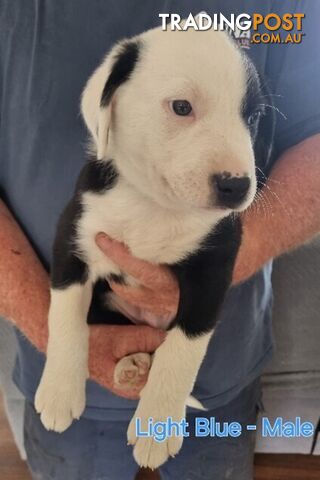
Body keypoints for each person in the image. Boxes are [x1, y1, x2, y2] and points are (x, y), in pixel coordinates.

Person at [0, 1, 319, 479]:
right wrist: (62, 344)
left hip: (217, 382)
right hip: (59, 369)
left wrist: (222, 261)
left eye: (247, 117)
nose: (236, 168)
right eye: (182, 108)